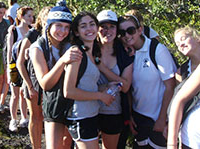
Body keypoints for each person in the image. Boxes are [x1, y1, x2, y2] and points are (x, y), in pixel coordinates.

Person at [118, 15, 177, 148]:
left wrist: (162, 119)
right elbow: (130, 88)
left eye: (131, 30)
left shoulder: (157, 50)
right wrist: (131, 115)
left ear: (140, 30)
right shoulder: (126, 53)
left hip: (158, 120)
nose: (127, 35)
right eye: (122, 33)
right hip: (139, 120)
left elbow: (170, 86)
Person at [29, 3, 80, 149]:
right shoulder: (37, 48)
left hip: (71, 102)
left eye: (66, 27)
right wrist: (63, 60)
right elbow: (45, 83)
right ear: (48, 26)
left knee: (67, 143)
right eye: (58, 25)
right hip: (53, 103)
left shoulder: (70, 44)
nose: (62, 31)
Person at [63, 11, 115, 148]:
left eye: (92, 24)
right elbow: (68, 91)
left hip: (90, 115)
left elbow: (85, 85)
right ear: (77, 32)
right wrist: (100, 96)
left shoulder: (91, 53)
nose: (89, 29)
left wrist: (105, 87)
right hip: (80, 117)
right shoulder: (77, 53)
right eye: (83, 26)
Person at [96, 10, 134, 149]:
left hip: (113, 112)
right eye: (103, 27)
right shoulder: (88, 49)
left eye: (112, 27)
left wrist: (102, 68)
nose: (107, 31)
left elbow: (125, 86)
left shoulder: (124, 54)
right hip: (88, 110)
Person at [16, 6, 52, 148]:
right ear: (41, 19)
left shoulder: (59, 36)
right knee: (36, 118)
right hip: (32, 82)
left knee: (49, 119)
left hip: (48, 82)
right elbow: (20, 63)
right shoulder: (33, 34)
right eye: (46, 19)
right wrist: (29, 86)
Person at [167, 27, 200, 149]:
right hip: (191, 137)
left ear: (197, 38)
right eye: (177, 43)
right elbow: (178, 101)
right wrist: (172, 140)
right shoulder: (181, 72)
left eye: (183, 39)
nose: (181, 44)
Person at [6, 6, 34, 132]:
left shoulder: (32, 31)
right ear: (21, 17)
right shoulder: (14, 31)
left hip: (27, 66)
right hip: (14, 66)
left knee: (24, 93)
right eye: (28, 16)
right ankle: (13, 119)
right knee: (15, 94)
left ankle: (24, 117)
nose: (31, 18)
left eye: (32, 16)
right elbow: (9, 51)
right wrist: (8, 69)